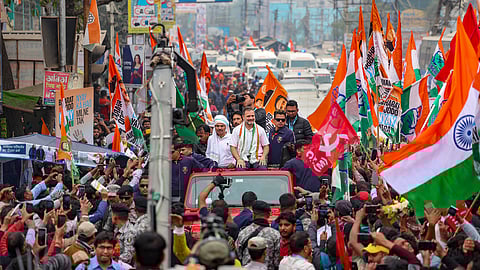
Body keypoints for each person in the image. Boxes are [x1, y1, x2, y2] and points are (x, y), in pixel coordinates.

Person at [236, 200, 281, 270]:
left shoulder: (243, 233)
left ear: (253, 214)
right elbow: (276, 261)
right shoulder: (275, 235)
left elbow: (238, 256)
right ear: (269, 214)